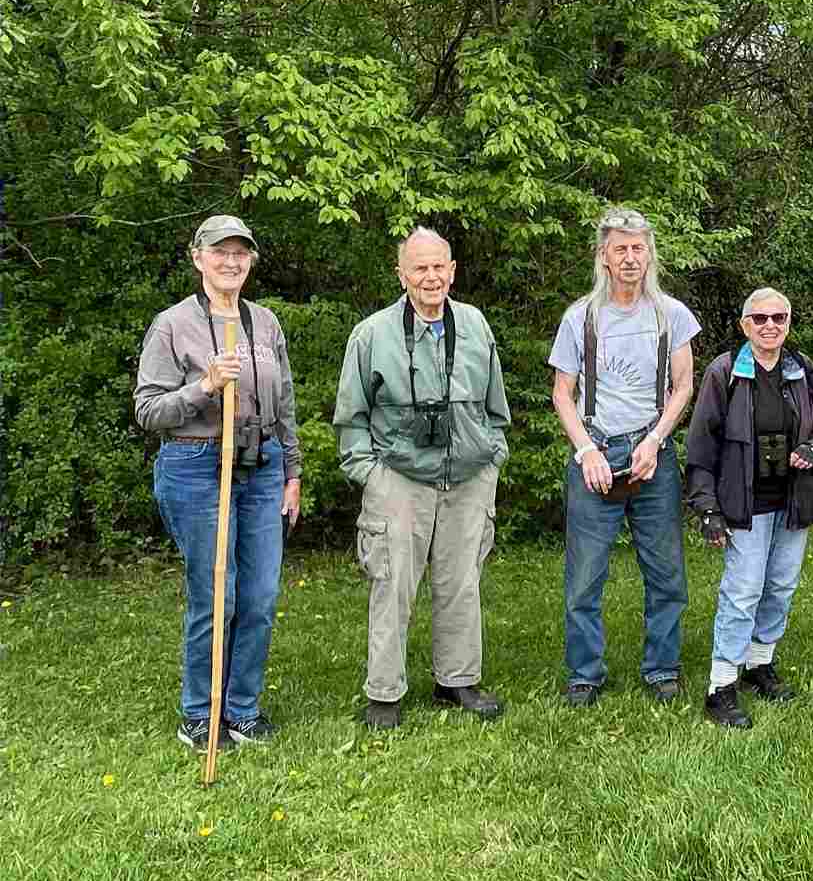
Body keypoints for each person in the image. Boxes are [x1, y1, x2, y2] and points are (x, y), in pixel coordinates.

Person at [135, 214, 302, 750]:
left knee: (259, 595)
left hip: (261, 463)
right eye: (220, 251)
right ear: (197, 257)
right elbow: (148, 410)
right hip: (197, 464)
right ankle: (199, 715)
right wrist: (204, 386)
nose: (231, 261)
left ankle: (243, 709)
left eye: (240, 252)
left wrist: (292, 471)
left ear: (250, 259)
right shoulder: (172, 325)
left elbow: (287, 405)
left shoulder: (266, 323)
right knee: (217, 594)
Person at [333, 228, 511, 730]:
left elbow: (496, 405)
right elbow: (351, 417)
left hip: (470, 478)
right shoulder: (371, 334)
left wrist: (492, 458)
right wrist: (371, 476)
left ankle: (456, 682)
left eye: (439, 267)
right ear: (402, 274)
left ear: (452, 270)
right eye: (420, 268)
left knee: (462, 583)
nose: (430, 277)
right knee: (391, 584)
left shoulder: (475, 325)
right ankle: (384, 693)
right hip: (399, 478)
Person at [550, 207, 700, 706]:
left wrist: (655, 440)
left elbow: (683, 386)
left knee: (667, 573)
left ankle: (662, 668)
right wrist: (586, 450)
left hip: (650, 452)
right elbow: (561, 393)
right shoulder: (581, 318)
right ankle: (585, 674)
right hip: (596, 450)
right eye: (621, 249)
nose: (631, 258)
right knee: (584, 578)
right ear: (604, 257)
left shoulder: (671, 315)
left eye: (639, 248)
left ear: (649, 254)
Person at [684, 288, 813, 728]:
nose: (770, 326)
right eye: (761, 318)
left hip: (792, 500)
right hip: (743, 503)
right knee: (743, 590)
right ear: (744, 325)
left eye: (779, 318)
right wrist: (707, 507)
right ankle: (721, 686)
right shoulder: (726, 371)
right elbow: (701, 444)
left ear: (789, 322)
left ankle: (759, 664)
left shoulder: (800, 368)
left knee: (781, 587)